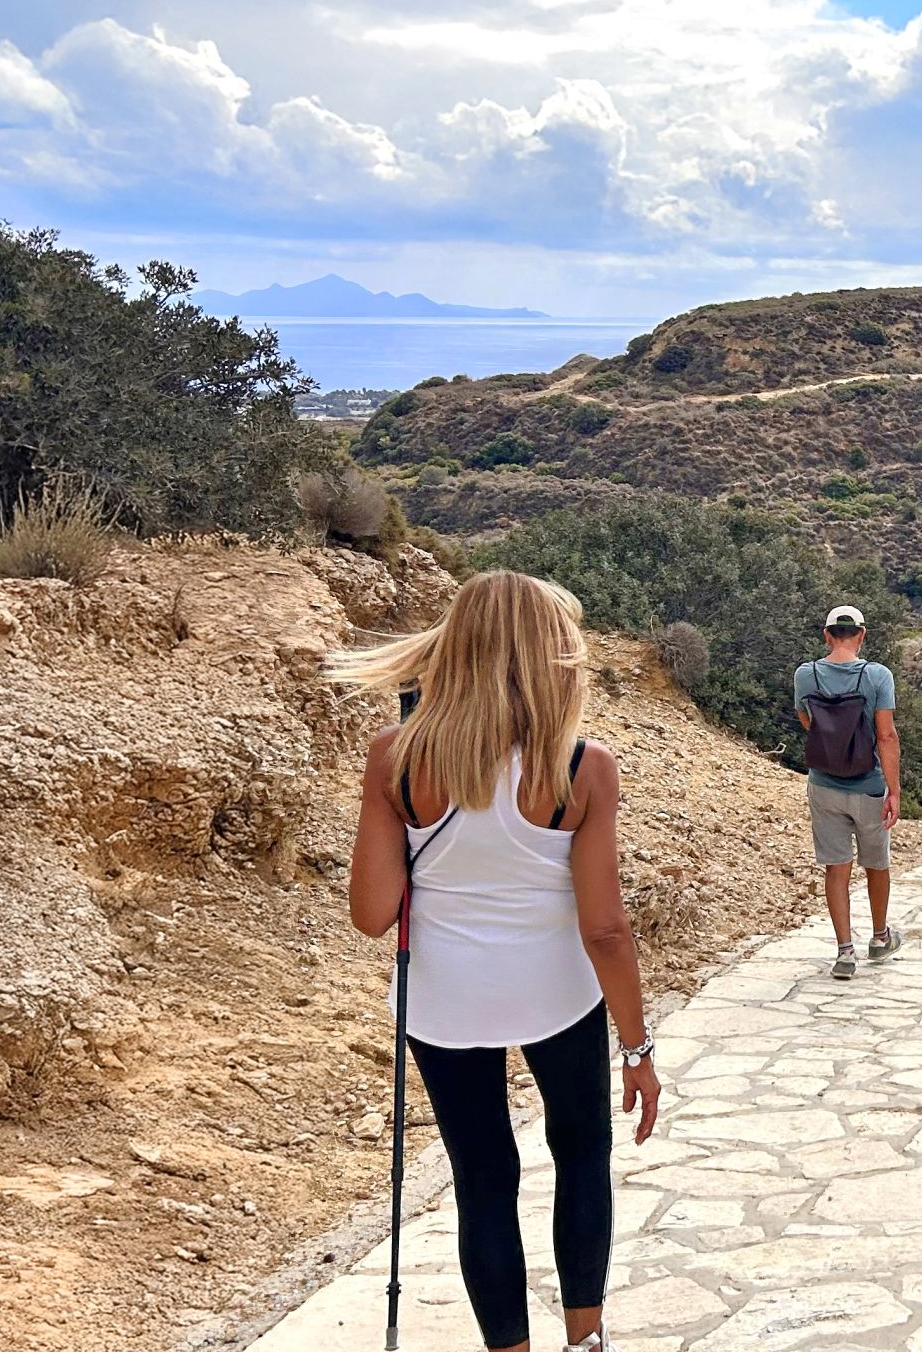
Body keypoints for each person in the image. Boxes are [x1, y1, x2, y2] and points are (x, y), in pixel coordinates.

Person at [332, 570, 660, 1352]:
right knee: (582, 1154)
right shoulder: (582, 768)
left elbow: (372, 914)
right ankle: (585, 1342)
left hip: (447, 1001)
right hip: (558, 994)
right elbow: (606, 929)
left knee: (484, 1181)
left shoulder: (395, 759)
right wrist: (638, 1045)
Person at [795, 605, 904, 979]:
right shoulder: (877, 676)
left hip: (823, 784)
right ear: (861, 634)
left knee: (836, 868)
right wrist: (894, 790)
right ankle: (879, 937)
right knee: (876, 864)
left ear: (826, 634)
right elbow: (886, 736)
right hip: (869, 785)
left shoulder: (805, 675)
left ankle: (844, 952)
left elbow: (807, 722)